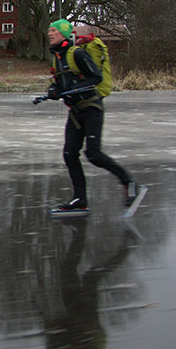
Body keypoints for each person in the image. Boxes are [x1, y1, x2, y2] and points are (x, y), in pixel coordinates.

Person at [46, 19, 139, 211]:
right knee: (69, 154)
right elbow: (59, 83)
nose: (50, 33)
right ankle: (80, 200)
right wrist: (54, 90)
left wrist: (72, 89)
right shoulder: (57, 58)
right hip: (76, 112)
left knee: (93, 154)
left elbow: (96, 77)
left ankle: (129, 182)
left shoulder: (77, 53)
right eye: (49, 30)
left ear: (64, 33)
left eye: (54, 30)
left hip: (91, 108)